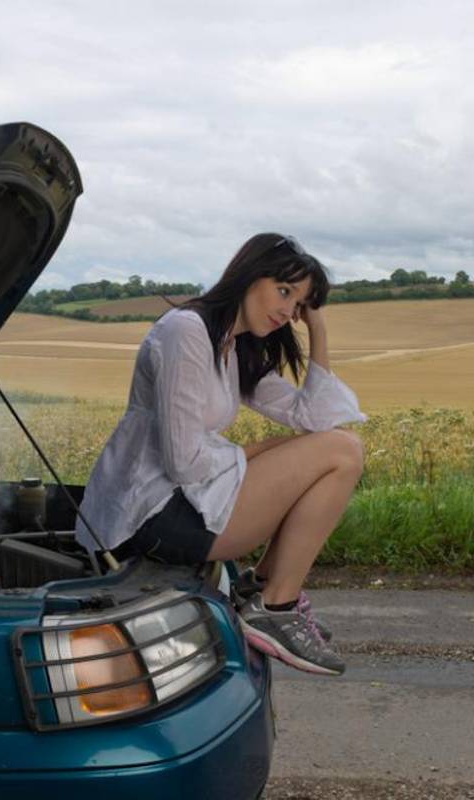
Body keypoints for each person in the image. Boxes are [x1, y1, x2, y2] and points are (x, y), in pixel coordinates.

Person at [75, 233, 367, 675]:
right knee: (342, 453)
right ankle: (276, 604)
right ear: (250, 274)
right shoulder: (187, 331)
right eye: (284, 292)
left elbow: (315, 417)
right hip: (152, 513)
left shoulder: (235, 346)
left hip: (183, 503)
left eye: (299, 304)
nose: (289, 311)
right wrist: (265, 449)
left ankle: (265, 589)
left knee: (342, 446)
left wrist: (319, 328)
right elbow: (184, 462)